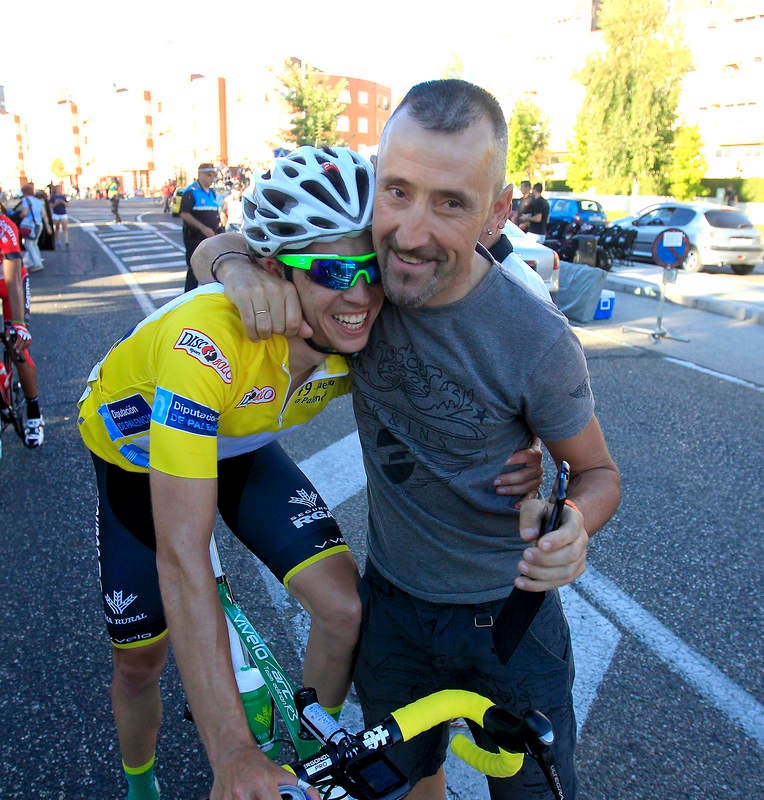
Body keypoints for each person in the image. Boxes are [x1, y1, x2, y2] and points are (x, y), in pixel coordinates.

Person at [195, 79, 621, 800]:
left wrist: (575, 522)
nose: (411, 233)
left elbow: (599, 471)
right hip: (393, 611)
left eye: (450, 202)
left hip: (510, 620)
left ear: (497, 212)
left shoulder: (537, 340)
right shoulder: (363, 286)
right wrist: (232, 266)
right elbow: (245, 244)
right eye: (397, 192)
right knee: (407, 787)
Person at [79, 145, 523, 800]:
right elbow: (182, 557)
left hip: (241, 446)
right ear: (273, 271)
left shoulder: (370, 327)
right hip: (137, 458)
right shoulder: (208, 346)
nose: (360, 295)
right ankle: (141, 783)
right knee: (141, 661)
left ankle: (310, 762)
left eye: (371, 267)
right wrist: (229, 752)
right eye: (328, 270)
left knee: (345, 608)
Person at [0, 208, 45, 447]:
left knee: (16, 344)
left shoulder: (4, 227)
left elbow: (13, 279)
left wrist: (18, 324)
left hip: (10, 286)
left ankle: (34, 412)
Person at [479, 185, 550, 301]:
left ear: (500, 210)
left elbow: (538, 218)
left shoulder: (522, 284)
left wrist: (526, 219)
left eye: (453, 204)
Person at [180, 163, 221, 292]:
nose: (211, 178)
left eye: (213, 175)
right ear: (200, 174)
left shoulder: (212, 193)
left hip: (211, 238)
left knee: (212, 267)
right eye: (208, 175)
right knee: (194, 269)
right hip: (194, 238)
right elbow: (184, 213)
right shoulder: (191, 192)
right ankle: (188, 298)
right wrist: (203, 228)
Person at [18, 183, 52, 273]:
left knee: (28, 244)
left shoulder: (25, 200)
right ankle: (37, 260)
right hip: (38, 224)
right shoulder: (38, 201)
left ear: (24, 192)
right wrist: (48, 227)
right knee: (34, 243)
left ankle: (37, 264)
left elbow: (25, 212)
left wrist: (19, 216)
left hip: (29, 225)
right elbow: (44, 215)